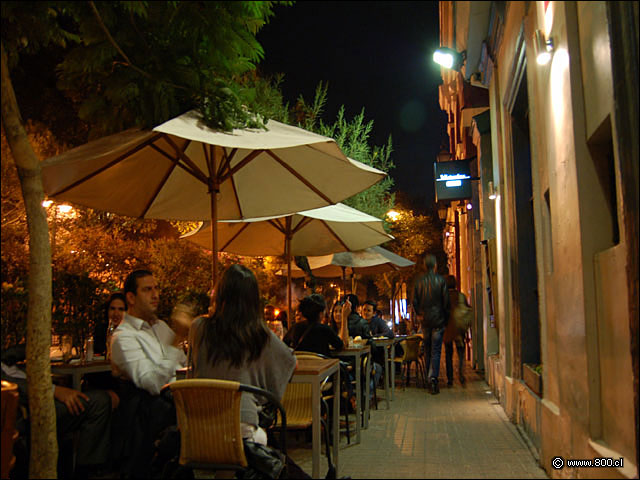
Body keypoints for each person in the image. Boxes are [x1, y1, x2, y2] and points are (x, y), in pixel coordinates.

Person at [188, 264, 297, 447]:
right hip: (240, 427)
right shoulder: (259, 334)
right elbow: (291, 364)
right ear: (253, 300)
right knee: (266, 445)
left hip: (199, 426)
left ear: (221, 293)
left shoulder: (198, 328)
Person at [1, 344, 115, 478]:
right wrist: (52, 390)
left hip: (38, 395)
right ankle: (88, 471)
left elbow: (11, 355)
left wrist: (31, 342)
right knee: (99, 402)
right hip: (27, 408)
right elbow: (10, 386)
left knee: (103, 397)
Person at [110, 269, 187, 395]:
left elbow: (184, 365)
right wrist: (177, 338)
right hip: (159, 407)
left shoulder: (161, 326)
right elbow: (153, 384)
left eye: (156, 288)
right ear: (131, 298)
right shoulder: (123, 337)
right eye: (147, 289)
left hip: (185, 395)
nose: (155, 295)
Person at [412, 254, 450, 395]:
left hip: (426, 321)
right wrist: (446, 318)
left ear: (423, 265)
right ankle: (433, 378)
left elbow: (414, 301)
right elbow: (446, 302)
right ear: (435, 266)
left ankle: (429, 379)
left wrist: (420, 314)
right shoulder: (441, 281)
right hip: (438, 320)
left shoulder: (419, 281)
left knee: (427, 350)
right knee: (436, 351)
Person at [443, 275, 468, 386]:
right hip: (459, 329)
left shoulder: (443, 298)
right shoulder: (461, 296)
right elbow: (466, 311)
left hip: (448, 329)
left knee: (448, 354)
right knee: (461, 352)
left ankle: (450, 378)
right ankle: (461, 373)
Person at [94, 292, 127, 357]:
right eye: (112, 309)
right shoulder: (100, 330)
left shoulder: (132, 332)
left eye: (120, 309)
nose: (116, 314)